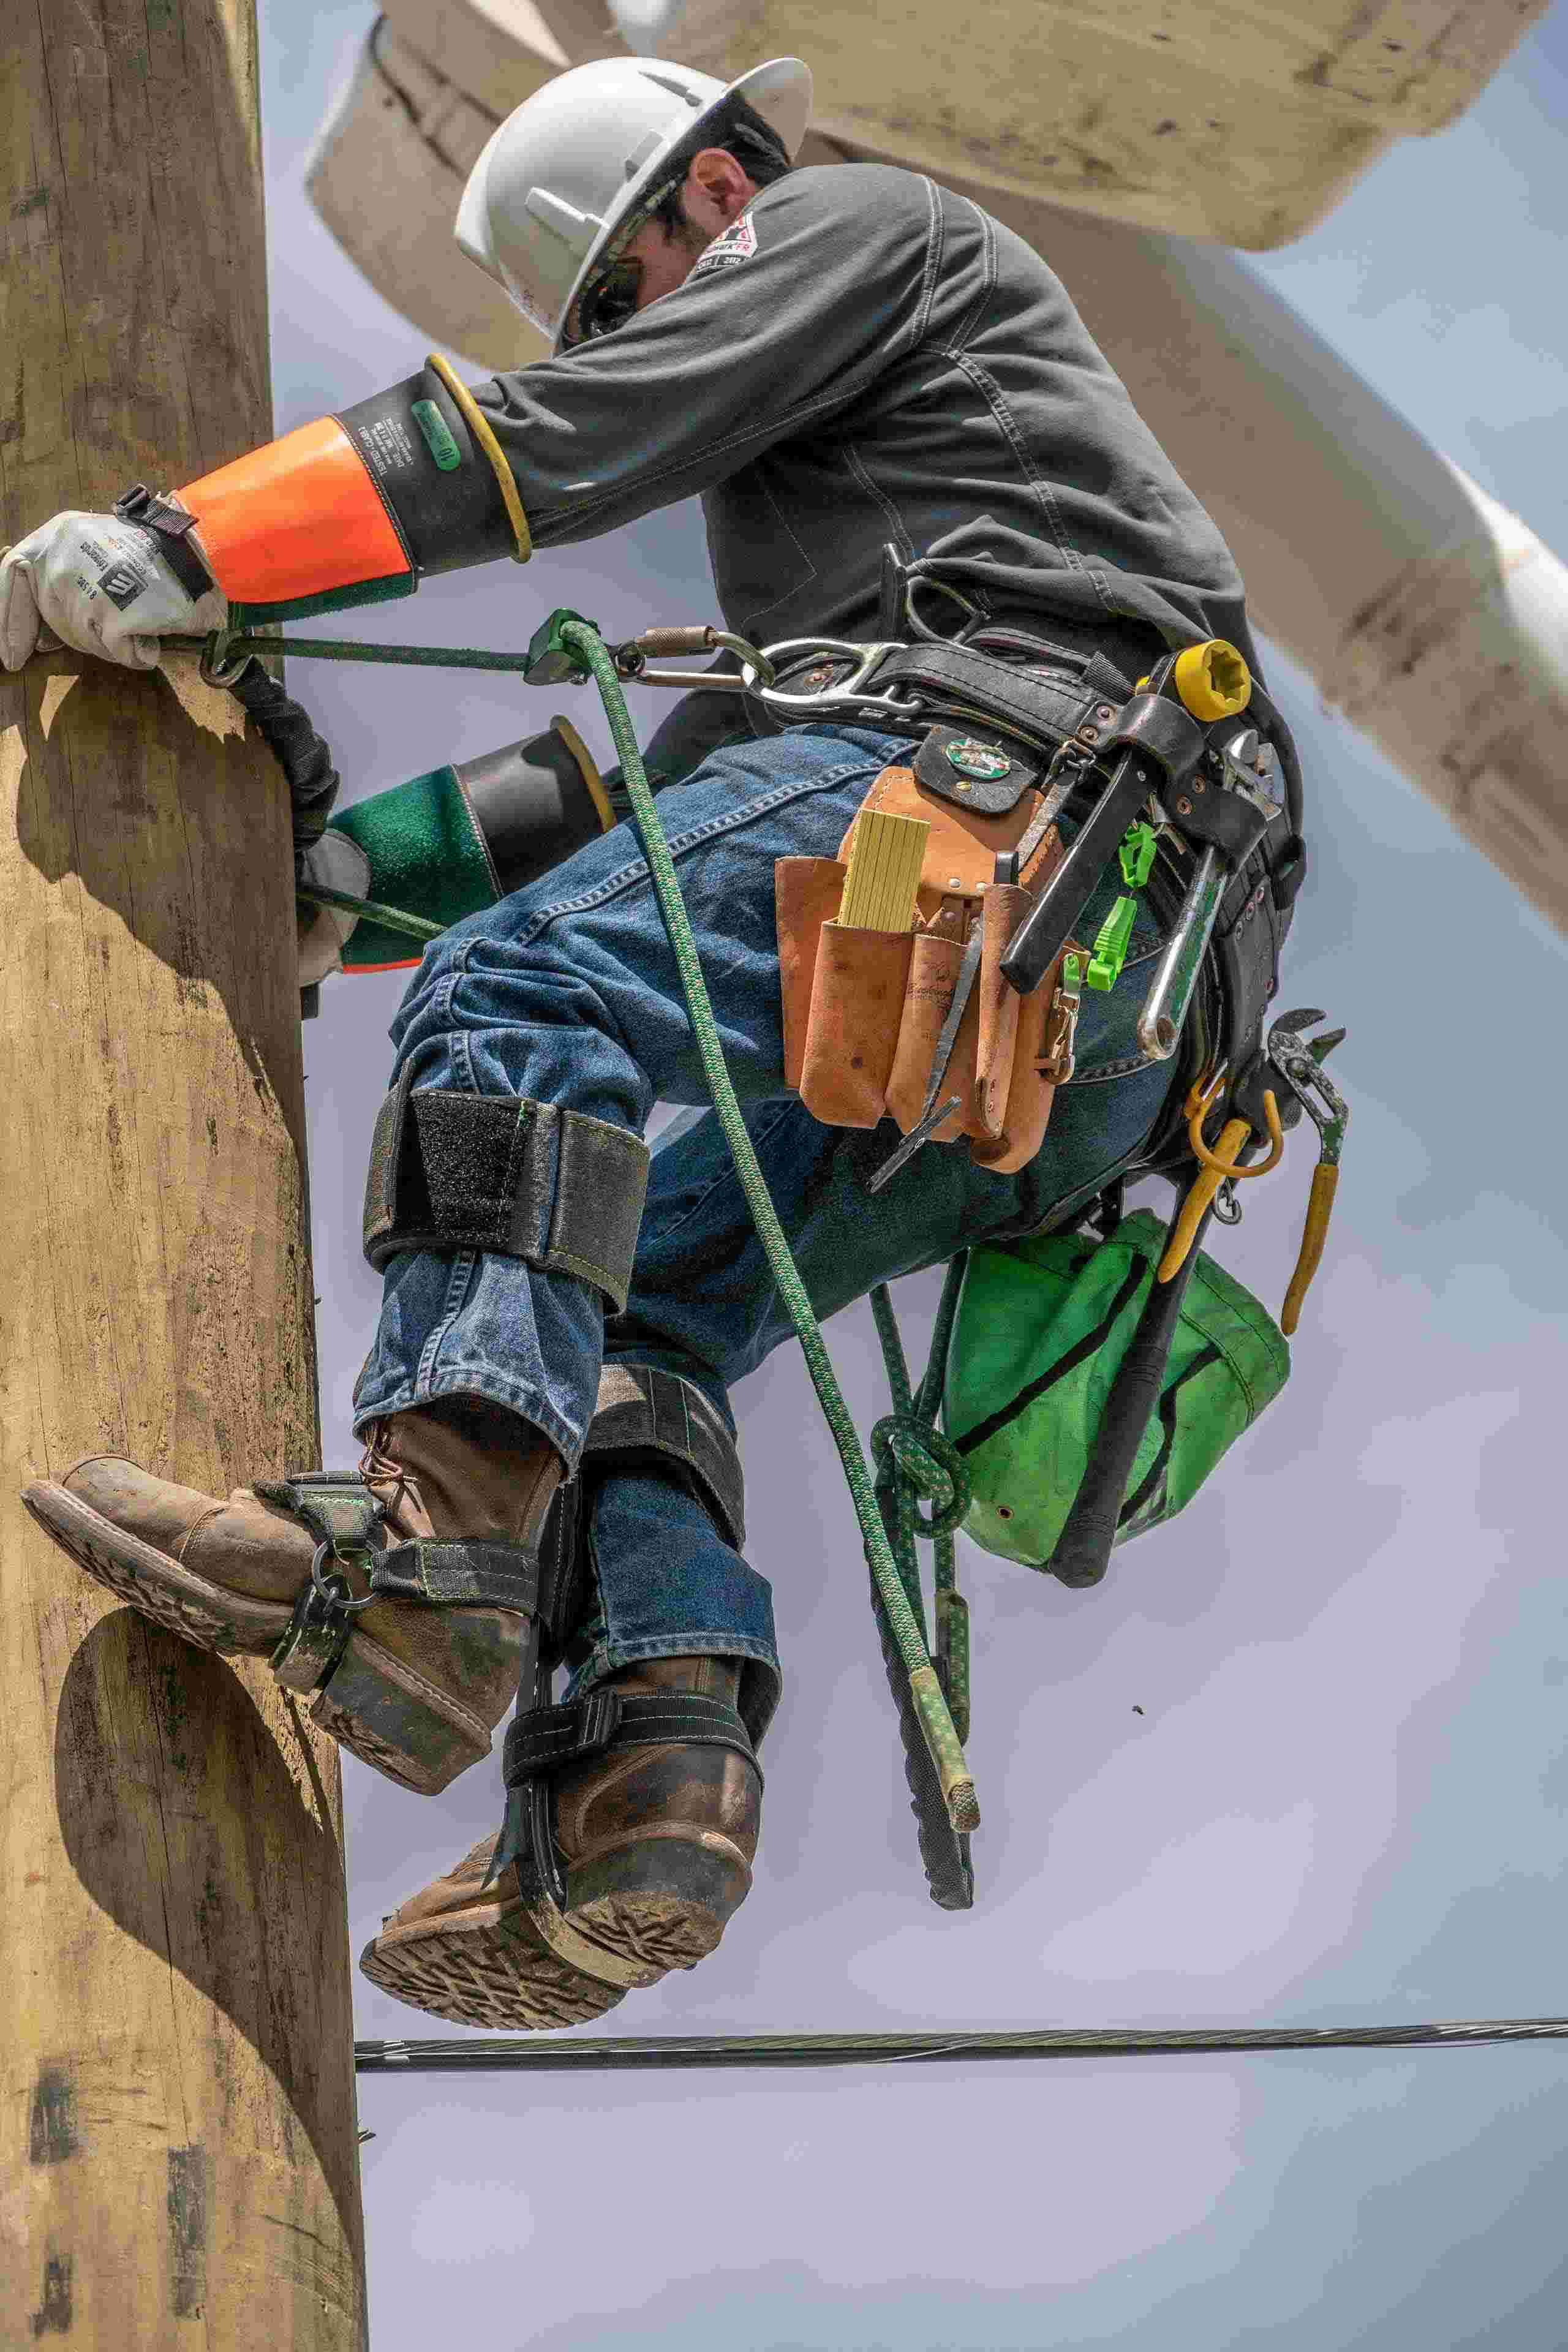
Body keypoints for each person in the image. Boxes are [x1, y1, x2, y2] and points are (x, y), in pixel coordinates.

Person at [4, 53, 1282, 2032]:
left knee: (520, 1000)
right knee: (641, 1313)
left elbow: (555, 449)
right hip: (1097, 1007)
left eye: (646, 273)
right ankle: (649, 1779)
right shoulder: (875, 524)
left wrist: (193, 545)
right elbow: (661, 799)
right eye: (616, 310)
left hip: (1035, 821)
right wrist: (342, 876)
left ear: (726, 187)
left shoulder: (867, 232)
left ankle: (432, 1551)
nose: (661, 309)